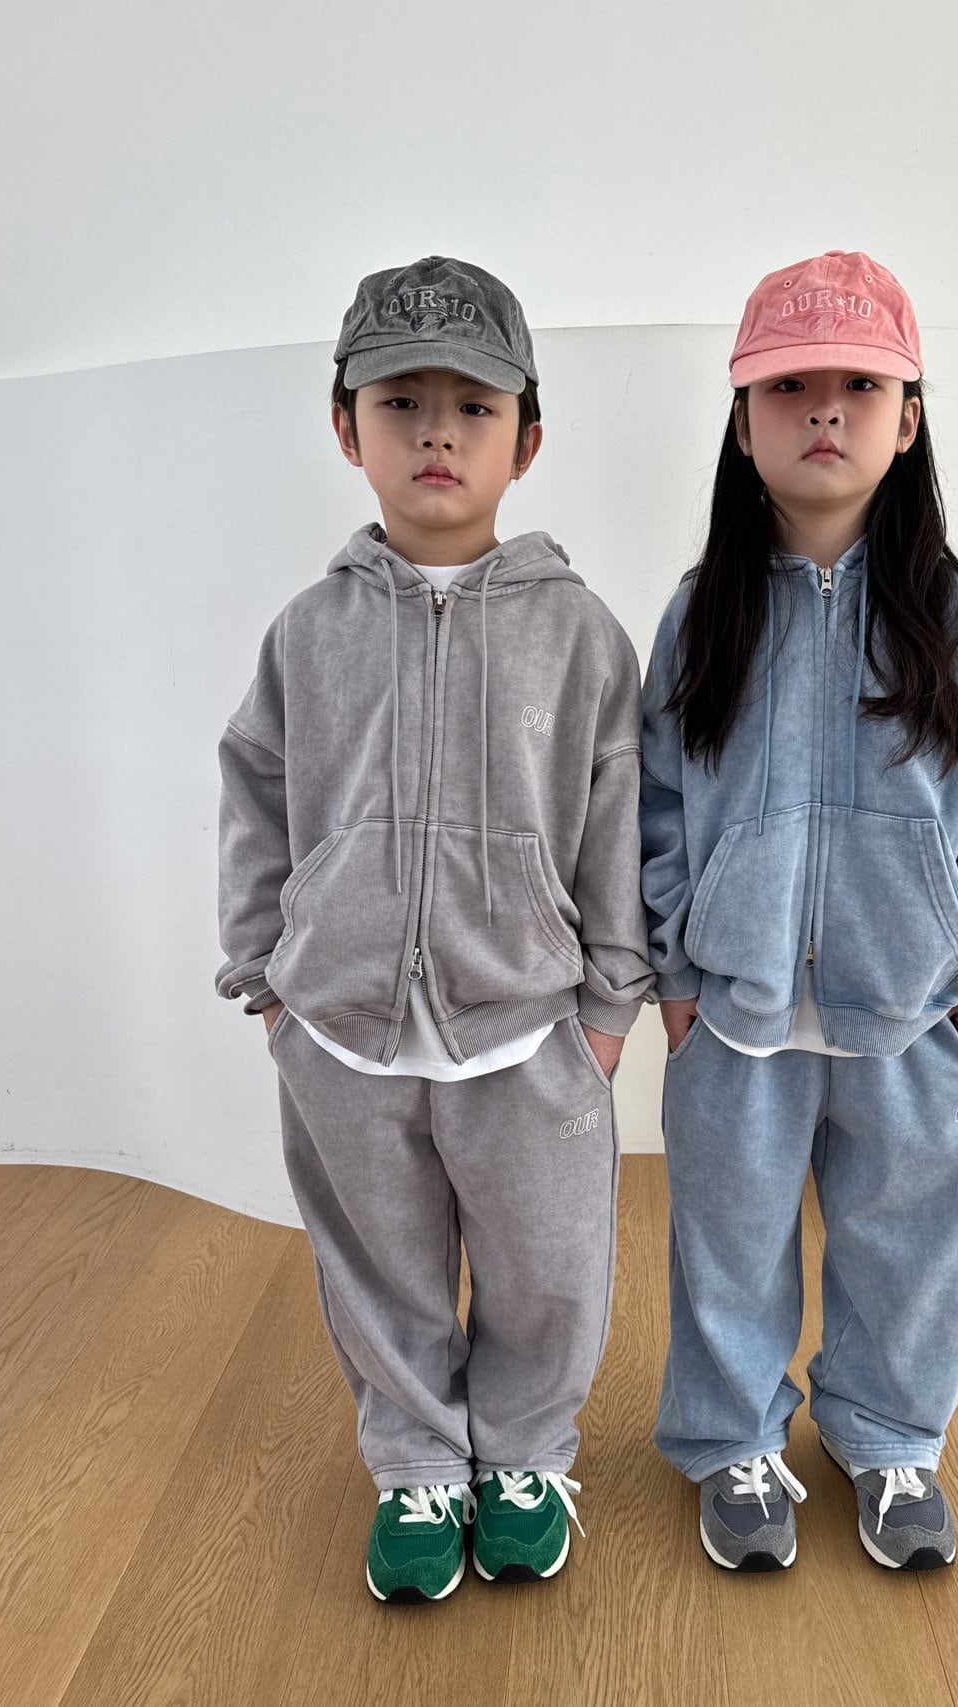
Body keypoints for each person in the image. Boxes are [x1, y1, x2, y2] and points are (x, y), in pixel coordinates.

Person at [216, 256, 653, 1602]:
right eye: (401, 403)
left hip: (527, 1028)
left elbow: (618, 817)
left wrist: (606, 1007)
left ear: (528, 438)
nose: (437, 434)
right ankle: (415, 1463)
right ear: (347, 428)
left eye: (474, 406)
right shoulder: (308, 634)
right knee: (381, 1269)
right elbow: (256, 794)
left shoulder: (581, 635)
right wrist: (267, 983)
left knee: (548, 1268)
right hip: (341, 1030)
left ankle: (522, 1456)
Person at [640, 250, 958, 1574]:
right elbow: (655, 797)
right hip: (739, 1009)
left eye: (860, 385)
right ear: (743, 423)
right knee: (728, 1240)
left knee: (912, 1239)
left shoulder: (952, 616)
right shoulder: (703, 615)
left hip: (912, 1009)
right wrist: (674, 972)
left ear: (909, 417)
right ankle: (735, 1441)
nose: (824, 408)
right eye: (789, 386)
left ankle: (890, 1439)